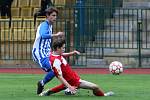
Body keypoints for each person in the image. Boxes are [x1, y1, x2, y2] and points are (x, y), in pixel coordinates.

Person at [39, 38, 114, 96]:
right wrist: (70, 86)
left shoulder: (54, 54)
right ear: (58, 48)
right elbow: (59, 76)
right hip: (74, 81)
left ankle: (48, 92)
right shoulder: (56, 61)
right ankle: (104, 95)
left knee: (62, 86)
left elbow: (62, 55)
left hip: (71, 79)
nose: (64, 49)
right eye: (63, 48)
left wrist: (72, 53)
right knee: (95, 87)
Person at [32, 7, 80, 95]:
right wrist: (56, 35)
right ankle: (43, 83)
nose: (55, 17)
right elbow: (43, 35)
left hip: (46, 52)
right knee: (54, 69)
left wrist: (71, 53)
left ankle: (67, 87)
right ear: (47, 16)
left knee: (58, 68)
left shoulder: (49, 26)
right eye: (53, 15)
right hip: (40, 53)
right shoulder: (44, 25)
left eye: (56, 16)